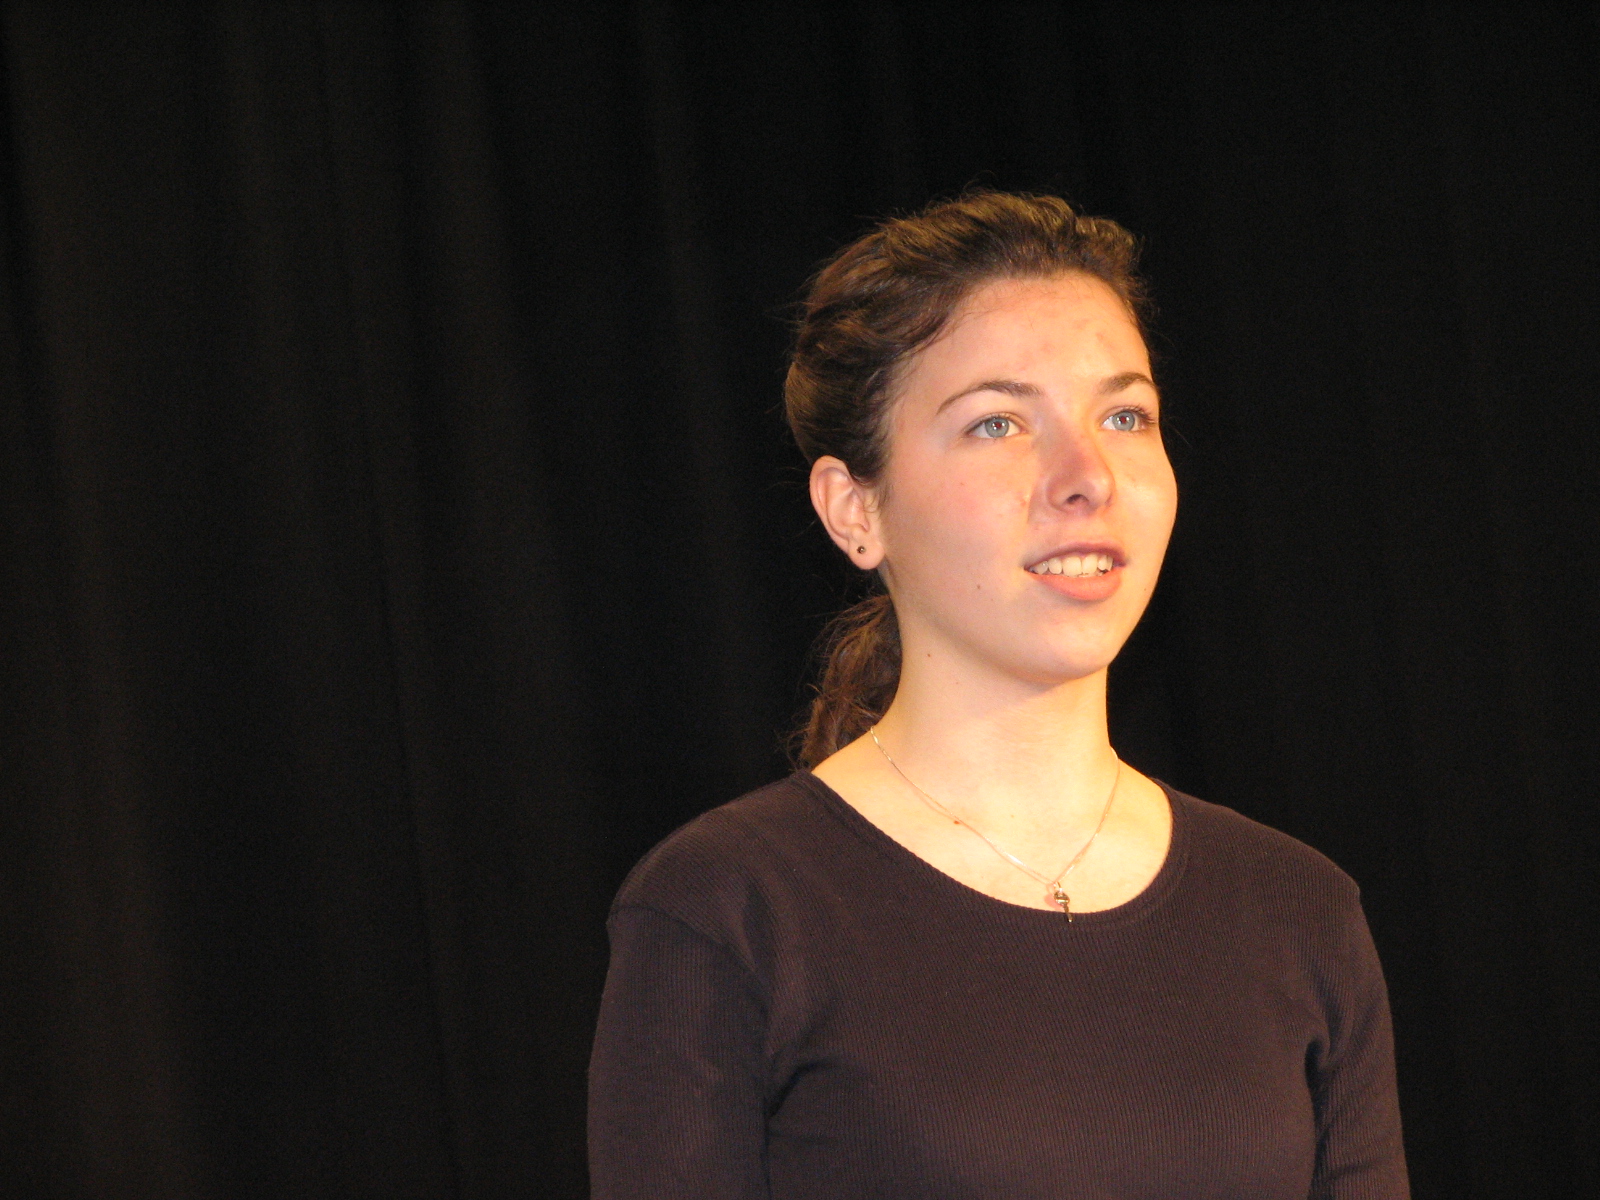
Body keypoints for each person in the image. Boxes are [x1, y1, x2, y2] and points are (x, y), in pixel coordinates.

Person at [588, 192, 1409, 1199]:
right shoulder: (730, 909)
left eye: (1124, 416)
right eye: (998, 423)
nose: (1086, 476)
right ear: (854, 510)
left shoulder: (1298, 910)